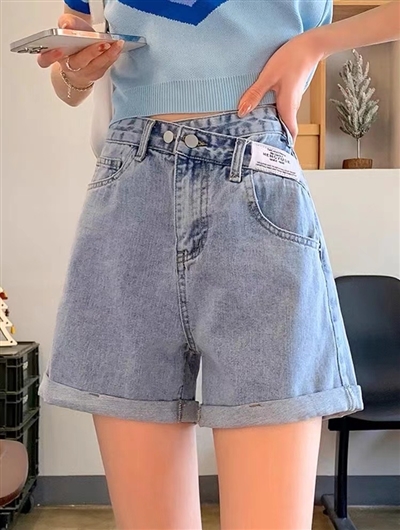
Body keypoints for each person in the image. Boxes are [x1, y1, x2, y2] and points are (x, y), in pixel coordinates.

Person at [37, 1, 399, 529]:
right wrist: (76, 68)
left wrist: (315, 44)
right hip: (129, 190)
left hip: (253, 177)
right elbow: (71, 69)